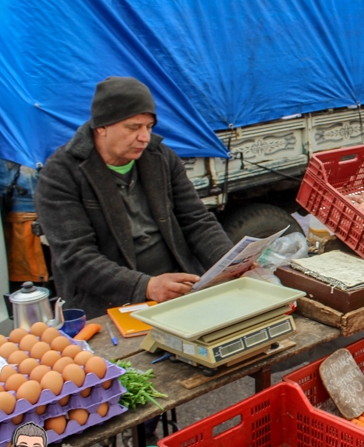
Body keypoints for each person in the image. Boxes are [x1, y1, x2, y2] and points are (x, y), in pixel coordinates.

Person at [35, 77, 233, 318]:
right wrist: (145, 286)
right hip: (110, 302)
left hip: (179, 286)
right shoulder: (60, 174)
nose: (144, 137)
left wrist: (230, 264)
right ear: (102, 127)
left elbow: (196, 221)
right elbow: (76, 257)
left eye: (149, 127)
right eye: (133, 127)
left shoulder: (160, 157)